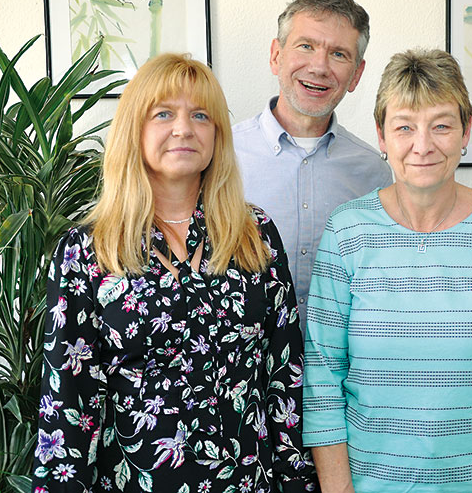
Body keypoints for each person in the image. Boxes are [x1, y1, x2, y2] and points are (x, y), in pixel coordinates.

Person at [32, 53, 318, 492]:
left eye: (200, 115)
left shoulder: (254, 233)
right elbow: (67, 403)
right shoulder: (89, 249)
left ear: (216, 136)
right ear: (135, 129)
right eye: (163, 113)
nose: (183, 128)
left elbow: (286, 378)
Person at [302, 49, 472, 492]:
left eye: (441, 125)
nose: (422, 145)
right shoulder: (347, 231)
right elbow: (323, 376)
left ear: (465, 133)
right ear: (382, 137)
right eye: (404, 126)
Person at [233, 0, 393, 335]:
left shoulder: (373, 172)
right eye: (305, 46)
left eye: (338, 54)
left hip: (339, 372)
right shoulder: (221, 156)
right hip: (247, 375)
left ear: (356, 75)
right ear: (276, 56)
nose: (319, 67)